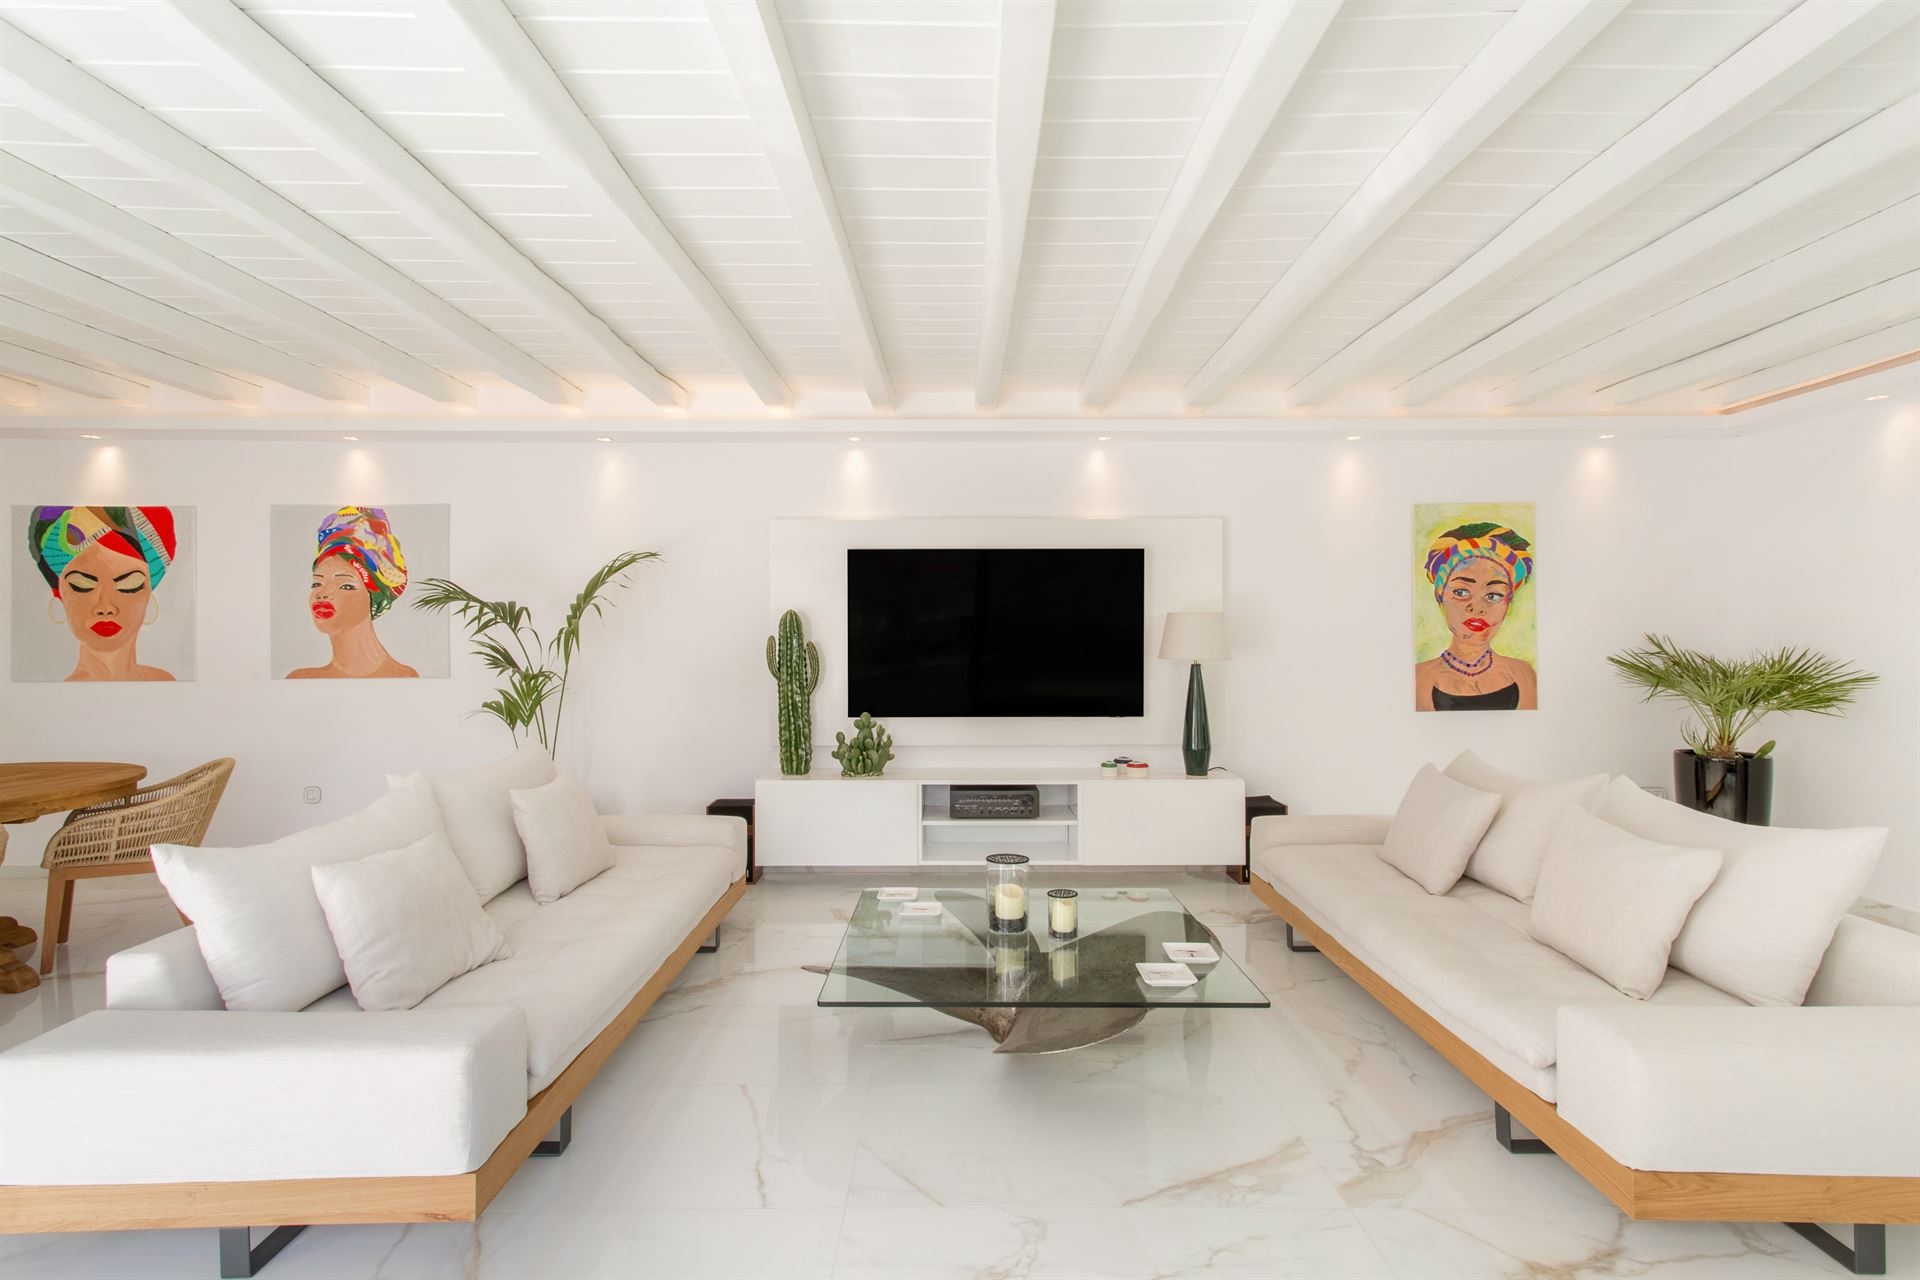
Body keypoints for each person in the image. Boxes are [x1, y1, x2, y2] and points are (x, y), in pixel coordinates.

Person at [28, 506, 179, 682]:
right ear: (59, 595)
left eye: (129, 585)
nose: (105, 607)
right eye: (82, 585)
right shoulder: (55, 694)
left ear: (149, 597)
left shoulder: (165, 682)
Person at [1414, 522, 1536, 711]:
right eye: (1461, 592)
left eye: (1493, 595)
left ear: (1507, 604)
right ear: (1440, 595)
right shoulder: (1419, 677)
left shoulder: (1522, 673)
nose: (1478, 608)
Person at [286, 506, 418, 679]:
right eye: (317, 583)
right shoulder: (299, 679)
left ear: (374, 597)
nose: (323, 593)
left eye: (345, 586)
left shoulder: (404, 677)